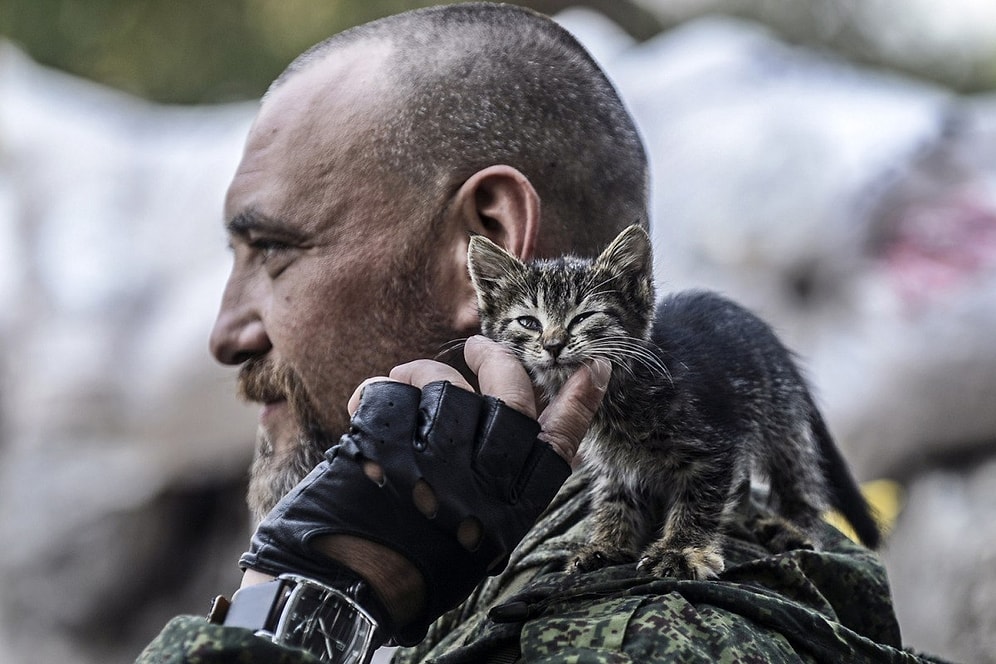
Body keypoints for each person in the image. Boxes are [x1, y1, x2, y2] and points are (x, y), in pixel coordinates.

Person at [137, 4, 947, 663]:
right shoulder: (442, 597)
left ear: (481, 247)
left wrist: (294, 604)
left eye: (274, 251)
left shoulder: (654, 636)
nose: (227, 331)